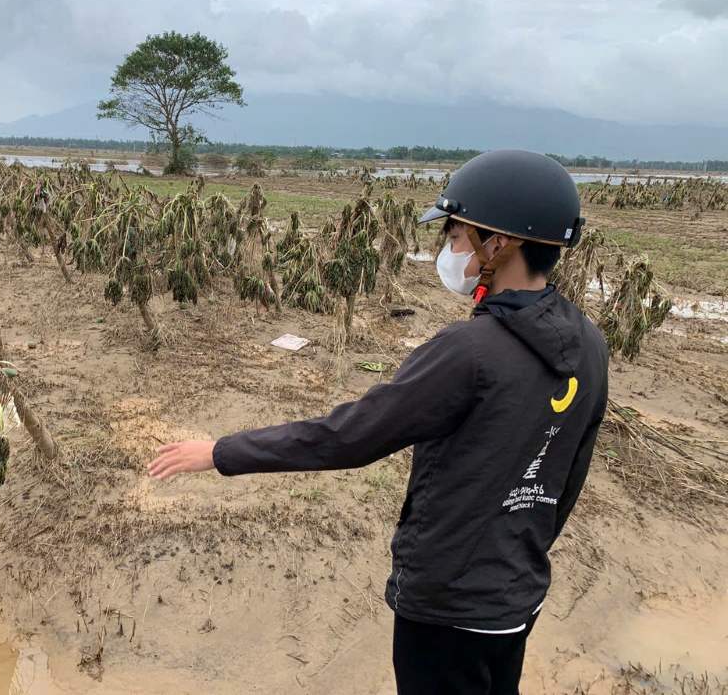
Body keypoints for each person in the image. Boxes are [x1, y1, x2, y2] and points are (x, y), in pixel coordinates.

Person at [147, 149, 609, 695]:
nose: (450, 247)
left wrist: (222, 452)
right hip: (515, 598)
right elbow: (567, 476)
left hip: (446, 607)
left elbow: (350, 436)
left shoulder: (469, 352)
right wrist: (521, 552)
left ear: (498, 243)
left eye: (457, 234)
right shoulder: (588, 343)